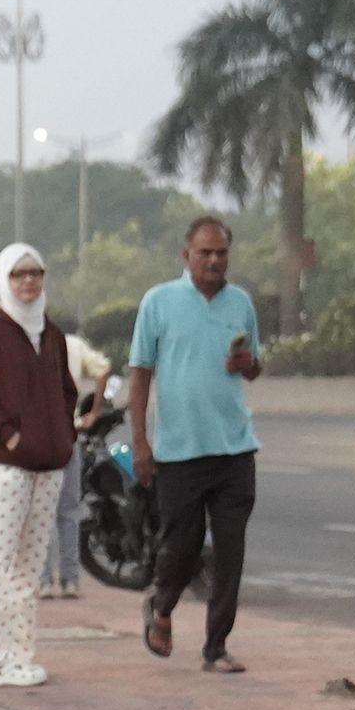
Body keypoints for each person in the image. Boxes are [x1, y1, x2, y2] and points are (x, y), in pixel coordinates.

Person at [128, 216, 262, 672]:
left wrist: (247, 363)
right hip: (180, 452)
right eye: (205, 252)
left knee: (229, 552)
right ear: (187, 255)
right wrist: (140, 443)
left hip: (235, 449)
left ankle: (216, 647)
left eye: (221, 252)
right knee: (182, 549)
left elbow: (255, 367)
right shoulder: (159, 302)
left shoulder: (240, 302)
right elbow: (140, 373)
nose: (214, 260)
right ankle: (161, 605)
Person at [0, 243, 79, 687]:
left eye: (35, 273)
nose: (28, 282)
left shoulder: (50, 333)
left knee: (28, 569)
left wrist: (62, 436)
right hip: (1, 469)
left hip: (47, 468)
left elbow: (66, 391)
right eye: (18, 274)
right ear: (3, 280)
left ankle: (21, 655)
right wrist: (7, 434)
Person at [40, 330, 113, 598]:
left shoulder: (31, 344)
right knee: (69, 511)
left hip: (39, 437)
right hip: (68, 433)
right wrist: (93, 412)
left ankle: (44, 580)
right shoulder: (73, 344)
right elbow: (103, 369)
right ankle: (70, 580)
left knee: (41, 512)